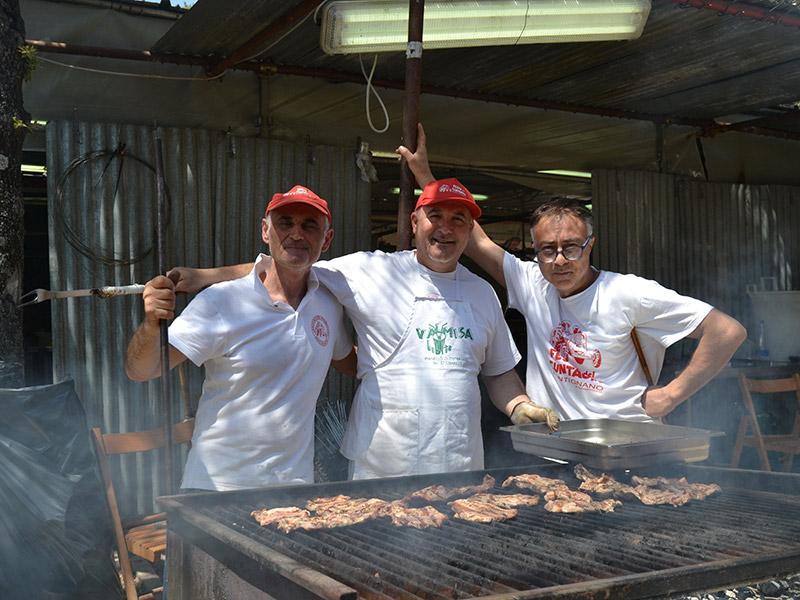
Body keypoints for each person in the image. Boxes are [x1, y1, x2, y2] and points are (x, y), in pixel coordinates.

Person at [169, 178, 559, 481]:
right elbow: (289, 262)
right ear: (415, 222)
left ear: (469, 229)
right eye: (435, 216)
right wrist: (205, 276)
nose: (445, 228)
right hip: (382, 467)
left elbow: (498, 371)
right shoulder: (371, 270)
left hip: (459, 463)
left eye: (458, 219)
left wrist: (519, 405)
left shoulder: (483, 294)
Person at [397, 124, 747, 423]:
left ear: (590, 246)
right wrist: (426, 177)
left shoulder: (627, 293)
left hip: (624, 450)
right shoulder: (533, 283)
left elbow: (727, 331)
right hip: (555, 451)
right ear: (536, 252)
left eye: (571, 247)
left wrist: (670, 395)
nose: (560, 261)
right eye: (548, 250)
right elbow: (475, 240)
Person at [125, 185, 356, 491]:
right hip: (216, 488)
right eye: (285, 222)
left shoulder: (327, 302)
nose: (297, 234)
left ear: (326, 239)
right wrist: (152, 323)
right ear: (266, 231)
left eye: (309, 225)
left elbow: (350, 362)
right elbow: (141, 370)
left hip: (292, 488)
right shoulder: (222, 302)